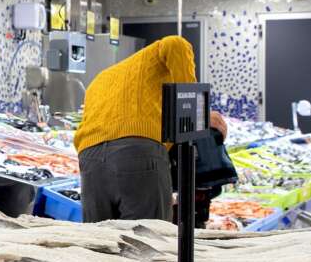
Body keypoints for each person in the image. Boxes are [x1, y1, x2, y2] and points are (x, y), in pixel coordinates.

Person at [73, 35, 228, 223]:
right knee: (148, 242)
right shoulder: (156, 54)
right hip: (136, 152)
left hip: (89, 159)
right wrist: (199, 114)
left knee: (101, 244)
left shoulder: (102, 77)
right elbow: (175, 43)